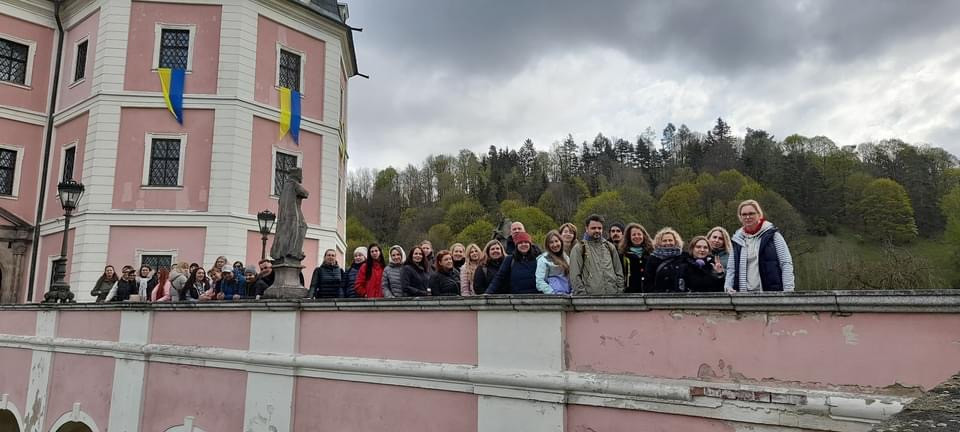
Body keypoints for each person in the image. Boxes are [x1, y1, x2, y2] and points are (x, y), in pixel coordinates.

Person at [725, 200, 795, 292]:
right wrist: (728, 287)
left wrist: (788, 290)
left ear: (759, 214)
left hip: (771, 293)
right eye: (744, 214)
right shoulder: (737, 240)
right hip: (744, 294)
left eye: (751, 213)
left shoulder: (773, 235)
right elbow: (731, 268)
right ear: (740, 217)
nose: (747, 217)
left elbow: (786, 263)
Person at [570, 214, 625, 295]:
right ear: (586, 229)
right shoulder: (579, 248)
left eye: (599, 228)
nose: (597, 230)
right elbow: (575, 276)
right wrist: (582, 297)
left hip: (612, 297)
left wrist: (619, 292)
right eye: (593, 228)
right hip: (590, 299)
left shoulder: (609, 247)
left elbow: (619, 272)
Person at [643, 227, 689, 293]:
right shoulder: (652, 258)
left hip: (679, 296)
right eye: (664, 241)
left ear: (675, 241)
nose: (668, 243)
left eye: (670, 240)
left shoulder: (684, 256)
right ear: (659, 242)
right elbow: (648, 281)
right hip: (659, 296)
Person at [621, 223, 654, 293]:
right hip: (630, 293)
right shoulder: (623, 255)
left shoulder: (651, 253)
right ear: (629, 237)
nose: (637, 236)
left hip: (649, 292)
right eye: (634, 234)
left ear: (644, 235)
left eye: (639, 234)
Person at [535, 230, 570, 295]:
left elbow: (570, 277)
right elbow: (540, 281)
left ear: (561, 242)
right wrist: (553, 294)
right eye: (551, 242)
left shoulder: (566, 258)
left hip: (568, 295)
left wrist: (572, 291)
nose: (555, 245)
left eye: (556, 241)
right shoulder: (543, 260)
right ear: (547, 245)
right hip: (553, 297)